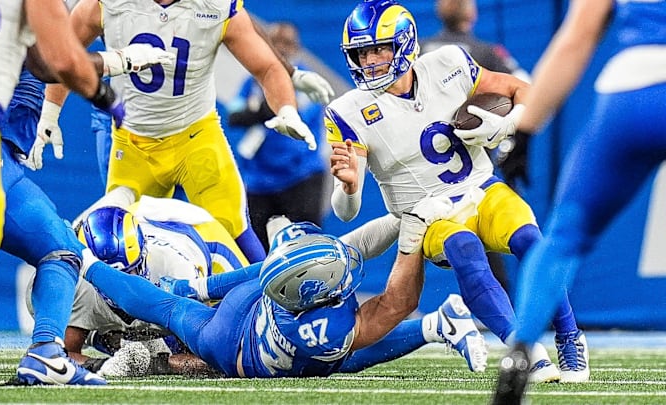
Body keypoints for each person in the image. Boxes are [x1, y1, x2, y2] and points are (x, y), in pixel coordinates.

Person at [327, 0, 587, 383]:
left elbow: (523, 91)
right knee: (464, 249)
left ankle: (570, 337)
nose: (369, 60)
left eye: (378, 48)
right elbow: (345, 211)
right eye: (361, 52)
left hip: (481, 189)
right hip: (427, 213)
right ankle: (524, 349)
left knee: (531, 239)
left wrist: (507, 125)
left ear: (403, 43)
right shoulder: (348, 111)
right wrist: (349, 186)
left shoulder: (448, 64)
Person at [33, 0, 332, 264]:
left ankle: (270, 307)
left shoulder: (215, 6)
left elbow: (266, 65)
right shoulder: (106, 4)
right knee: (120, 237)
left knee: (233, 229)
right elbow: (64, 54)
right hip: (134, 141)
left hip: (196, 136)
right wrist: (51, 109)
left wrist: (286, 107)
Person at [78, 200, 489, 378]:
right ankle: (436, 325)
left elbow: (265, 274)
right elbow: (399, 302)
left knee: (166, 305)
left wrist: (407, 217)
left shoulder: (293, 281)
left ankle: (89, 263)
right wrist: (413, 233)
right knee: (339, 362)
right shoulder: (323, 328)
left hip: (245, 310)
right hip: (227, 346)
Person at [492, 1, 666, 402]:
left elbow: (577, 37)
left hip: (631, 92)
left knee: (564, 237)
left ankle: (519, 355)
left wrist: (525, 130)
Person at [0, 0, 128, 385]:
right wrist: (114, 77)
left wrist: (45, 117)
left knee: (59, 249)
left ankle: (47, 351)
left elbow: (39, 62)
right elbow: (58, 60)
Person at [53, 197, 249, 376]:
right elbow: (60, 355)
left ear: (144, 256)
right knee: (114, 339)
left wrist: (155, 365)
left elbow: (215, 359)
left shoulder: (175, 269)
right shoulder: (80, 284)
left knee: (240, 339)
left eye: (132, 271)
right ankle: (112, 336)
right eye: (111, 276)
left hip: (201, 235)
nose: (124, 284)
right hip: (139, 221)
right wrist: (103, 365)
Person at [419, 0, 532, 290]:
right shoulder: (486, 52)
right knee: (502, 232)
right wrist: (514, 141)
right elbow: (526, 88)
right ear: (472, 13)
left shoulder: (417, 50)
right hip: (477, 165)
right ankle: (512, 308)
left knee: (418, 238)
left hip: (421, 168)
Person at [227, 22, 329, 249]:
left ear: (297, 48)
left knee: (307, 245)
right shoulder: (252, 82)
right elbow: (234, 115)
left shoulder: (305, 81)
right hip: (259, 179)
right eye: (275, 43)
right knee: (258, 250)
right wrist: (259, 108)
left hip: (300, 175)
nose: (281, 49)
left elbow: (290, 112)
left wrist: (258, 108)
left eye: (287, 43)